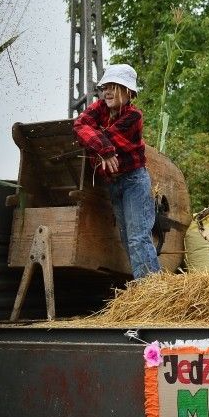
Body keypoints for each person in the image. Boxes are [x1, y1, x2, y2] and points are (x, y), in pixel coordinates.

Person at [73, 63, 160, 279]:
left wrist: (101, 146)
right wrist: (104, 149)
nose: (108, 91)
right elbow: (79, 125)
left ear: (128, 92)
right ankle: (146, 286)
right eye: (106, 87)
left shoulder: (134, 116)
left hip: (134, 181)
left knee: (138, 237)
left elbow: (109, 137)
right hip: (113, 183)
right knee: (125, 237)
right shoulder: (99, 108)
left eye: (115, 86)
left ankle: (152, 289)